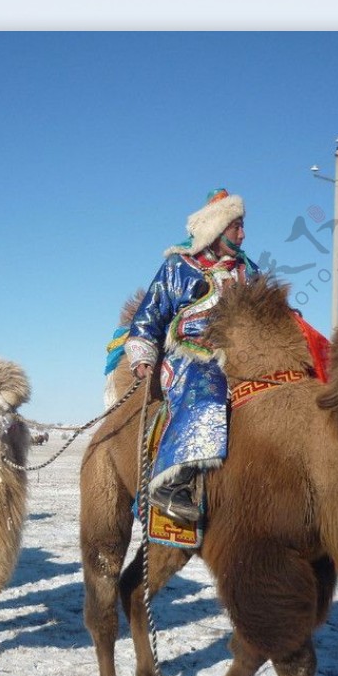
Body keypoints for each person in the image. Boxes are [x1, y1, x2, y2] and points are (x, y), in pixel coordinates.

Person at [125, 188, 261, 522]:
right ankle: (172, 484)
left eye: (243, 226)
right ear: (216, 229)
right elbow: (150, 315)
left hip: (243, 355)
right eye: (236, 227)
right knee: (209, 387)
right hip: (190, 357)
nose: (243, 234)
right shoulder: (179, 267)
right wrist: (143, 355)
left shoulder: (249, 272)